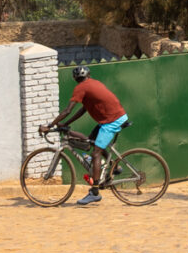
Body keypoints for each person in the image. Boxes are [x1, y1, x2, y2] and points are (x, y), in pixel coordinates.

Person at [40, 66, 129, 205]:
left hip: (111, 121)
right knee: (92, 141)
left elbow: (67, 110)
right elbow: (83, 110)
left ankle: (95, 192)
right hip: (115, 117)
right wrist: (65, 123)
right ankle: (115, 167)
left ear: (75, 78)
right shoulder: (94, 83)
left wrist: (50, 126)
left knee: (95, 154)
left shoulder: (80, 88)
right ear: (88, 75)